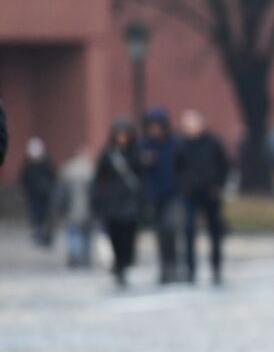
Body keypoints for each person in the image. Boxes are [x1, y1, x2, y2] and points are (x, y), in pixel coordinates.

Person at [175, 110, 230, 285]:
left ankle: (216, 268)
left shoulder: (213, 142)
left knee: (214, 232)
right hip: (190, 194)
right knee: (189, 231)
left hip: (211, 193)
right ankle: (190, 270)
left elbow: (226, 165)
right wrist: (182, 186)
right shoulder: (180, 144)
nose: (189, 127)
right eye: (186, 124)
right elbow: (176, 168)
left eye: (192, 123)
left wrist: (219, 185)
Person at [92, 119, 144, 288]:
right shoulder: (108, 154)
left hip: (130, 201)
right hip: (112, 201)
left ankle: (125, 262)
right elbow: (99, 178)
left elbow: (142, 176)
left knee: (128, 234)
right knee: (114, 234)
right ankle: (118, 265)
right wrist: (98, 199)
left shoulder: (136, 153)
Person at [140, 108, 183, 283]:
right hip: (154, 195)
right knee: (159, 232)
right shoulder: (145, 146)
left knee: (170, 228)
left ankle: (173, 265)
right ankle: (164, 266)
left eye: (157, 126)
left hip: (173, 193)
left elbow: (183, 167)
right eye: (151, 127)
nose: (154, 130)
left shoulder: (175, 144)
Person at [57, 150, 96, 268]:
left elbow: (61, 192)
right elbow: (97, 193)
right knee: (86, 234)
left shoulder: (68, 170)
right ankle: (86, 256)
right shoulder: (91, 170)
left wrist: (61, 206)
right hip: (88, 210)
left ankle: (73, 254)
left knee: (73, 232)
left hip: (72, 209)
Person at [20, 138, 57, 247]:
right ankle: (38, 234)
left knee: (45, 217)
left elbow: (53, 177)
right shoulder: (28, 165)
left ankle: (45, 236)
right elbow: (24, 179)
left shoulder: (46, 163)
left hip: (45, 196)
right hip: (33, 196)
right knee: (36, 217)